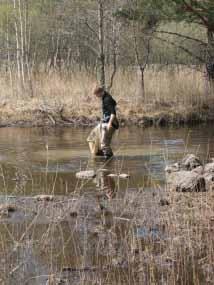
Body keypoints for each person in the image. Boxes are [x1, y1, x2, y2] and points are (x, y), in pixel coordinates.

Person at [87, 87, 119, 159]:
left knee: (104, 145)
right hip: (105, 122)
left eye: (96, 95)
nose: (96, 96)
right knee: (94, 138)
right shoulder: (105, 97)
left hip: (109, 124)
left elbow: (113, 113)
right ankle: (102, 158)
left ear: (100, 92)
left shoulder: (107, 99)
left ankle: (109, 162)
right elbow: (114, 103)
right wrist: (104, 119)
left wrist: (109, 124)